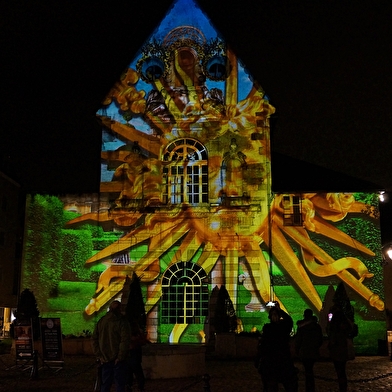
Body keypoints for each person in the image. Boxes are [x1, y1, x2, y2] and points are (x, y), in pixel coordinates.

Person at [256, 302, 298, 392]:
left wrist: (280, 310)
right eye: (273, 315)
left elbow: (289, 321)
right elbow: (263, 345)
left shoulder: (283, 327)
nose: (274, 317)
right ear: (270, 317)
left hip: (283, 361)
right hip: (270, 362)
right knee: (271, 386)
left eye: (276, 315)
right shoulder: (268, 328)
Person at [92, 300, 131, 392]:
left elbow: (94, 339)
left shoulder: (102, 321)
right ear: (119, 309)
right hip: (118, 359)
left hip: (105, 358)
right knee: (120, 384)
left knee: (105, 383)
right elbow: (125, 341)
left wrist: (99, 355)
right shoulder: (122, 322)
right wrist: (120, 356)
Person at [295, 309, 323, 392]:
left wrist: (297, 349)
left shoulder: (301, 327)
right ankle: (311, 388)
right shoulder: (316, 327)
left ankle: (309, 387)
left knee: (308, 370)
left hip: (304, 351)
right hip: (313, 351)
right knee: (309, 370)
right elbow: (320, 340)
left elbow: (298, 340)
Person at [326, 307, 354, 392]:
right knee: (342, 370)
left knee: (339, 370)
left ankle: (342, 386)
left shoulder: (334, 328)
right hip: (343, 350)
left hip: (336, 351)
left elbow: (330, 336)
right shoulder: (345, 327)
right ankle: (343, 387)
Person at [127, 321, 147, 392]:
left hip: (132, 354)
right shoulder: (137, 334)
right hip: (135, 354)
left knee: (131, 372)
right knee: (137, 372)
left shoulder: (129, 333)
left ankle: (130, 386)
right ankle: (139, 386)